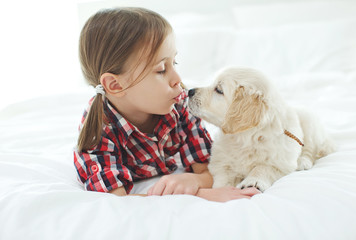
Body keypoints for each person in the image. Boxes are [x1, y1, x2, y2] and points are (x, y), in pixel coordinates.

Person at [73, 7, 260, 202]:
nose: (177, 79)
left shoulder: (178, 104)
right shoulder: (98, 132)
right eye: (162, 69)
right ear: (115, 85)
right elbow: (117, 200)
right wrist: (202, 193)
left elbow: (208, 168)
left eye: (175, 63)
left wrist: (194, 179)